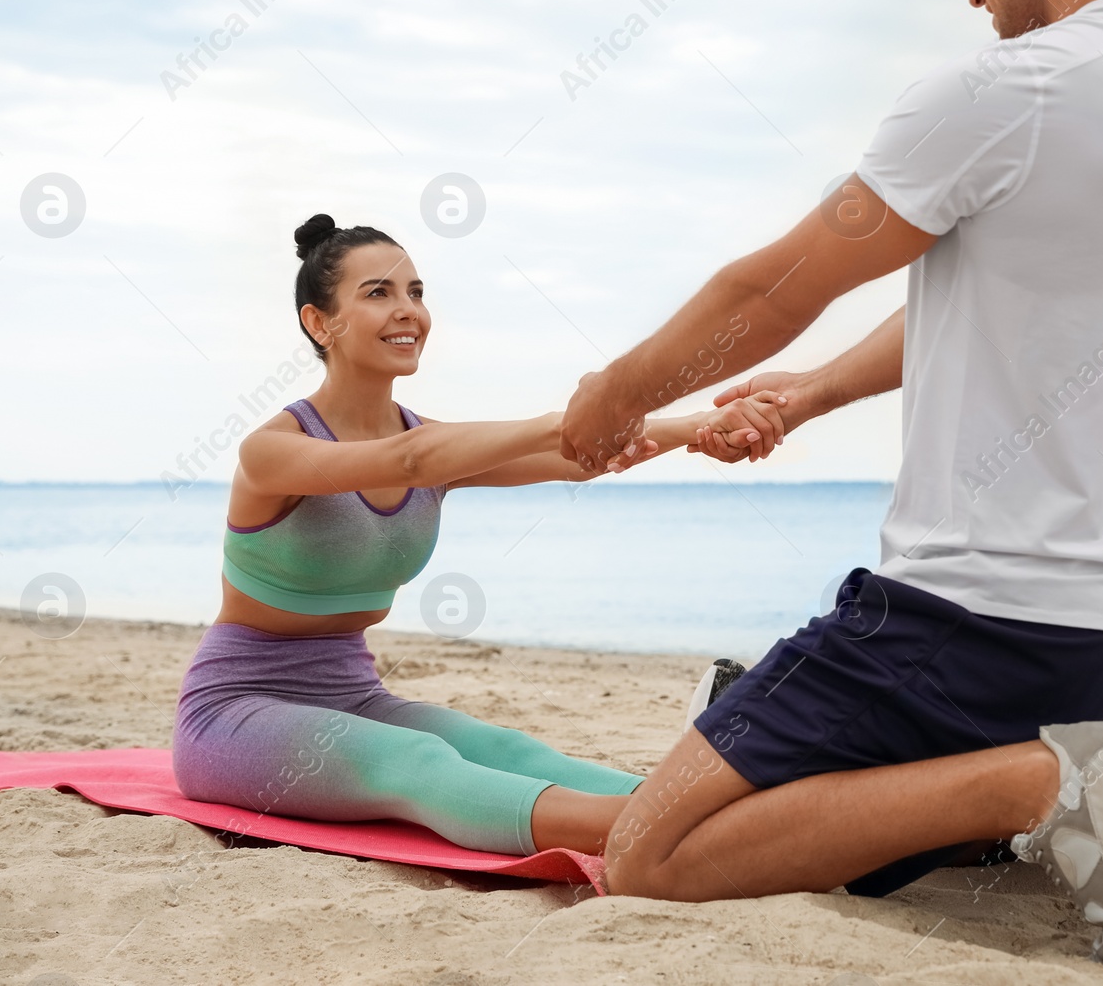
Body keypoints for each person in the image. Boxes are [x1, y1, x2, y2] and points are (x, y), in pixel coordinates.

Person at [562, 0, 1103, 975]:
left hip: (970, 624)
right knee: (873, 819)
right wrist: (809, 395)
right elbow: (996, 305)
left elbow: (770, 289)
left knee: (655, 852)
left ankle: (1067, 775)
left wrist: (616, 390)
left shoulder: (1013, 87)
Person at [170, 214, 786, 858]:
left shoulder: (433, 446)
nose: (408, 310)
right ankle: (684, 835)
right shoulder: (274, 451)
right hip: (234, 713)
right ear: (319, 322)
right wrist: (567, 419)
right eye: (378, 293)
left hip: (354, 695)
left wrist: (699, 426)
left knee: (506, 750)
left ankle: (712, 806)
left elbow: (578, 459)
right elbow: (414, 460)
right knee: (415, 761)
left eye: (416, 291)